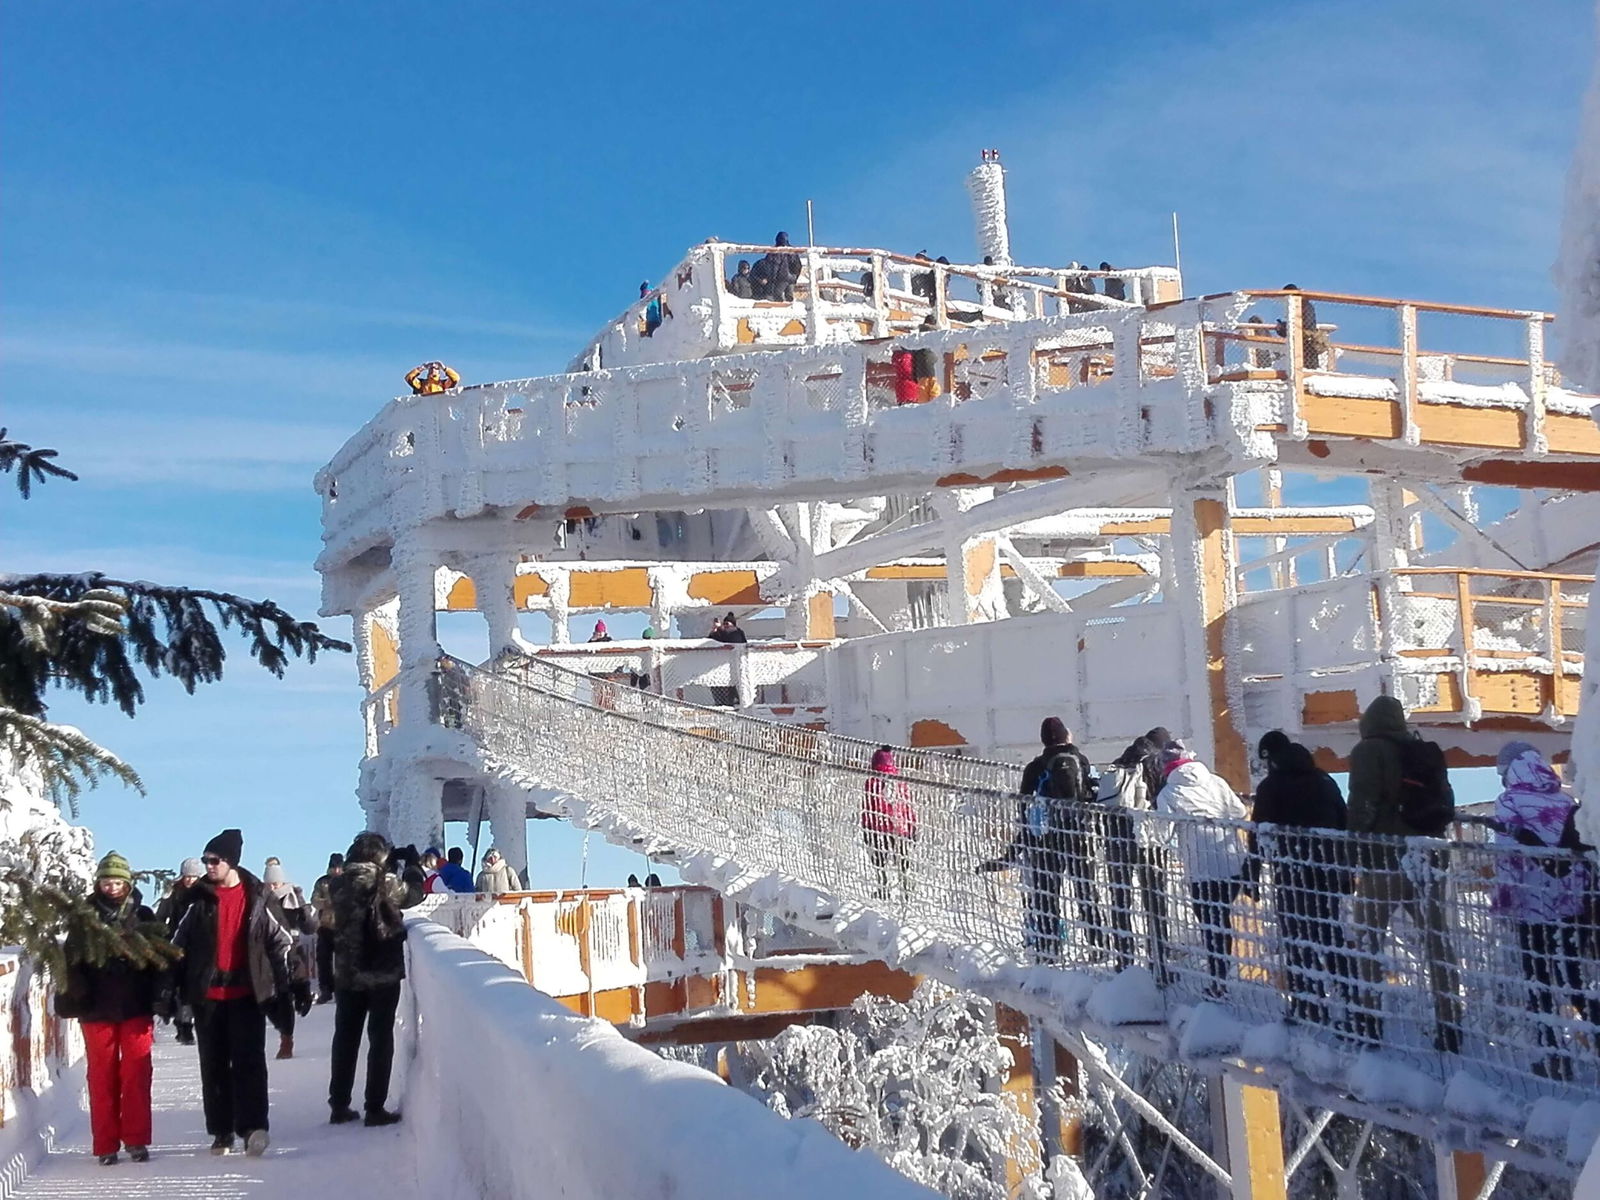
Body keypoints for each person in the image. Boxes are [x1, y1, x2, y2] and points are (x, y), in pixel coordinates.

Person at [1345, 695, 1463, 1051]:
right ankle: (1450, 1022)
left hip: (1385, 860)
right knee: (1436, 940)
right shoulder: (1422, 750)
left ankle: (1369, 1020)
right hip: (1428, 857)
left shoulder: (1369, 751)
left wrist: (1351, 849)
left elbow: (1363, 803)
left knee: (1369, 937)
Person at [170, 829, 294, 1157]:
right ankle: (221, 1131)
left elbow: (281, 940)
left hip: (247, 994)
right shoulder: (196, 899)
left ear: (231, 862)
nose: (208, 866)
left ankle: (254, 1128)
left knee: (249, 1062)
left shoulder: (257, 896)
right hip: (207, 995)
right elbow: (176, 945)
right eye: (206, 860)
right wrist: (173, 992)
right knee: (213, 1066)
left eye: (215, 860)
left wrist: (286, 984)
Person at [1490, 741, 1598, 1080]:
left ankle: (1553, 1056)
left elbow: (1508, 860)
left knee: (1538, 981)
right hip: (1572, 907)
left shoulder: (1510, 802)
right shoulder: (1565, 800)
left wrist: (1504, 902)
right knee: (1574, 979)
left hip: (1532, 908)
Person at [57, 852, 166, 1166]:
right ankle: (105, 1144)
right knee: (101, 1077)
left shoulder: (143, 915)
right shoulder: (84, 918)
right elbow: (71, 961)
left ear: (128, 884)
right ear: (98, 883)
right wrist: (78, 992)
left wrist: (161, 994)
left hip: (136, 1006)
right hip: (96, 1008)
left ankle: (136, 1139)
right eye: (106, 882)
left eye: (118, 882)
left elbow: (160, 958)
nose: (112, 887)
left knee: (136, 1074)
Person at [1250, 731, 1355, 1025]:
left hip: (1292, 871)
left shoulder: (1272, 786)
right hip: (1327, 870)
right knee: (1330, 935)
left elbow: (1259, 832)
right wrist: (1346, 871)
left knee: (1297, 938)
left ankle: (1309, 1004)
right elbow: (1343, 822)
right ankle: (1350, 1001)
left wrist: (1253, 874)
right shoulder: (1323, 780)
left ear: (1270, 758)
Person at [982, 718, 1099, 963]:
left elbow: (1024, 808)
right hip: (1078, 836)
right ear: (1067, 736)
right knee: (1086, 894)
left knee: (1046, 897)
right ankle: (1098, 948)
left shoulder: (1035, 767)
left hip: (1044, 841)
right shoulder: (1082, 761)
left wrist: (1016, 848)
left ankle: (1049, 952)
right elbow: (1092, 795)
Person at [327, 831, 423, 1127]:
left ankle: (339, 1104)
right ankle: (375, 1107)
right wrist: (412, 866)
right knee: (380, 1038)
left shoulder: (336, 884)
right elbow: (414, 895)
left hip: (347, 972)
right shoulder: (385, 881)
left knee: (345, 1038)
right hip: (382, 971)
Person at [1154, 744, 1249, 993]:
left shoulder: (1169, 793)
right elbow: (1239, 811)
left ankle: (1218, 980)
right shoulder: (1216, 781)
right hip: (1231, 860)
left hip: (1201, 868)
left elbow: (1163, 834)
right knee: (1222, 917)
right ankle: (1223, 976)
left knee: (1209, 922)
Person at [1098, 736, 1171, 974]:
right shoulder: (1154, 765)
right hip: (1147, 840)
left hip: (1116, 839)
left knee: (1120, 899)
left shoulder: (1118, 764)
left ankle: (1124, 959)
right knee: (1154, 901)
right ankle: (1159, 958)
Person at [261, 863, 316, 1059]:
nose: (273, 887)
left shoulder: (292, 898)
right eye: (269, 884)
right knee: (267, 999)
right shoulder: (260, 900)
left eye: (276, 883)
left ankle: (286, 1040)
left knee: (287, 995)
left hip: (292, 952)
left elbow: (310, 928)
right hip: (267, 954)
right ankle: (283, 1028)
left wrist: (303, 909)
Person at [155, 857, 203, 1045]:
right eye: (187, 876)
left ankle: (196, 1023)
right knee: (182, 988)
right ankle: (184, 1026)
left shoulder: (205, 893)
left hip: (200, 946)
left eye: (193, 876)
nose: (189, 880)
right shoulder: (174, 894)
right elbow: (161, 917)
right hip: (177, 944)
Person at [863, 747, 918, 902]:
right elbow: (907, 805)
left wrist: (866, 827)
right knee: (904, 861)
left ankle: (883, 888)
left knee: (879, 862)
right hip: (901, 828)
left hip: (878, 829)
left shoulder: (872, 782)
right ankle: (907, 891)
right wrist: (912, 826)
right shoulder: (900, 781)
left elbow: (868, 807)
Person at [310, 853, 343, 1004]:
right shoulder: (322, 882)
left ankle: (341, 989)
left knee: (342, 961)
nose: (336, 870)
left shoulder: (347, 881)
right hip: (325, 926)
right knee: (323, 960)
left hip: (343, 926)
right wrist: (328, 902)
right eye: (334, 867)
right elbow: (314, 900)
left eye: (339, 867)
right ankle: (326, 989)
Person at [1275, 284, 1328, 369]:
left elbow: (1306, 325)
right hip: (1305, 341)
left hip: (1306, 341)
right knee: (1307, 365)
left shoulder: (1301, 305)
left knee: (1307, 365)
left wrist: (1284, 328)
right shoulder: (1301, 305)